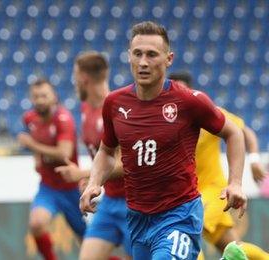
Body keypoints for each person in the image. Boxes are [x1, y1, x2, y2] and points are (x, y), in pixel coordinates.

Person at [80, 21, 247, 260]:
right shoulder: (115, 104)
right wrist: (95, 182)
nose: (143, 62)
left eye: (152, 54)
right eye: (137, 54)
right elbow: (106, 151)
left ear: (169, 59)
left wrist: (236, 183)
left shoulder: (189, 101)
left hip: (179, 214)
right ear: (129, 56)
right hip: (138, 218)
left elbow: (234, 132)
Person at [169, 71, 269, 260]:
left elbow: (244, 131)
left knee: (187, 231)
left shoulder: (204, 112)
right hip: (188, 195)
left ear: (190, 91)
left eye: (182, 89)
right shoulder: (167, 122)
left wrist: (254, 159)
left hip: (213, 191)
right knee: (234, 248)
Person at [56, 51, 131, 260]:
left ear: (83, 78)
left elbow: (126, 165)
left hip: (133, 204)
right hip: (108, 203)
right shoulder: (84, 108)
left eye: (75, 77)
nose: (74, 83)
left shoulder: (118, 112)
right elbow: (100, 156)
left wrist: (82, 173)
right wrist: (92, 179)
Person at [18, 79, 85, 260]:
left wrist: (33, 146)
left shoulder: (64, 119)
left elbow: (64, 152)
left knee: (90, 247)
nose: (40, 100)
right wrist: (37, 157)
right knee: (36, 223)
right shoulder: (29, 118)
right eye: (36, 96)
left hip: (71, 188)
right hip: (48, 187)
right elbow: (35, 136)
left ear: (54, 97)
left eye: (44, 96)